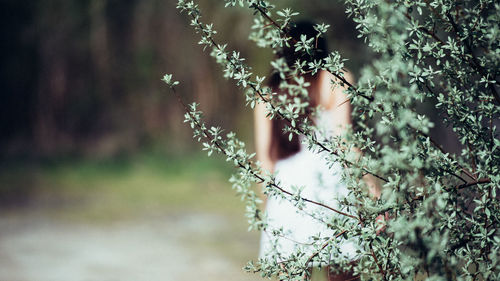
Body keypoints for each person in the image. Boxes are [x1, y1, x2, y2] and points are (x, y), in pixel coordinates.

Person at [254, 21, 376, 281]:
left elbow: (265, 162)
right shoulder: (336, 81)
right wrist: (369, 187)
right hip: (332, 195)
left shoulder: (267, 96)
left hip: (288, 197)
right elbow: (346, 144)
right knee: (345, 276)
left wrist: (268, 210)